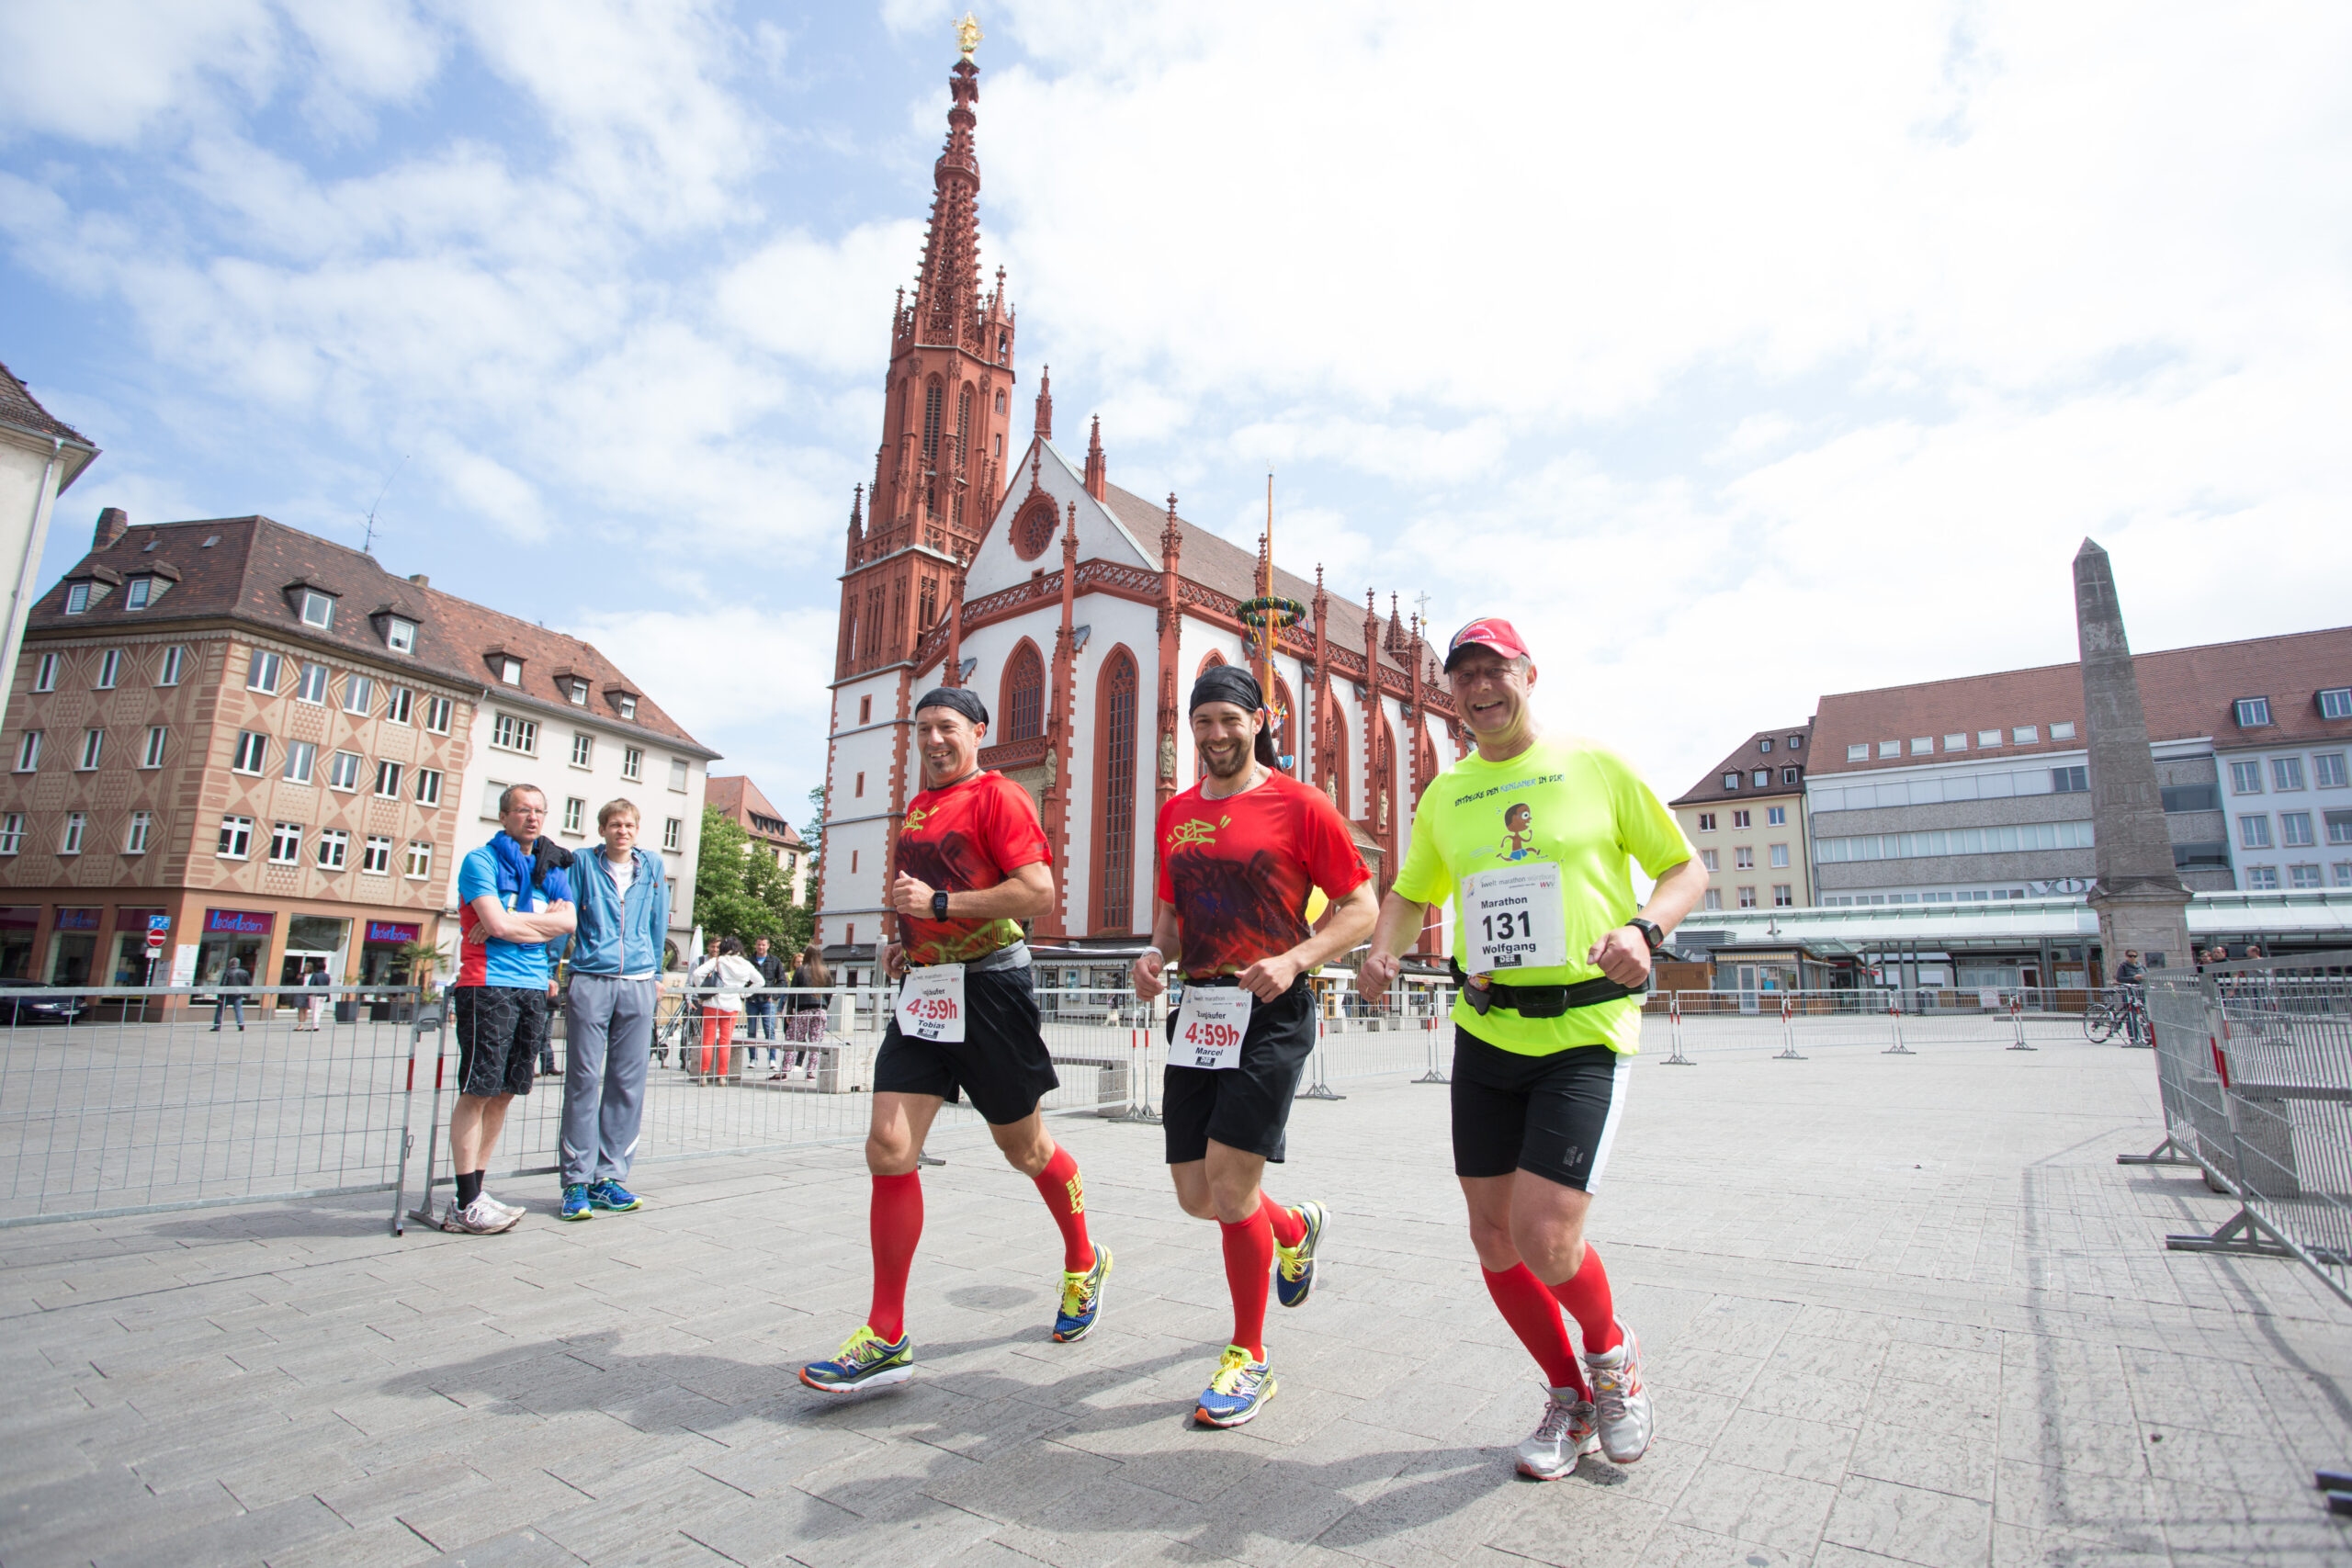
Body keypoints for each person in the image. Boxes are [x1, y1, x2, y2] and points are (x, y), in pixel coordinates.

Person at [1356, 618, 1708, 1481]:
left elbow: (1684, 868)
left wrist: (1645, 928)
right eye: (1463, 674)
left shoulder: (1595, 764)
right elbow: (1410, 889)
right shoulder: (1448, 791)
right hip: (1486, 1029)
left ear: (1528, 673)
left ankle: (1611, 1354)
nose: (1479, 687)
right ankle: (1569, 1394)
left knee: (1547, 1234)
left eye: (1494, 670)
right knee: (1492, 1236)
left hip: (1584, 1030)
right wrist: (1382, 946)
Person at [799, 686, 1107, 1394]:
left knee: (1025, 1149)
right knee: (888, 1145)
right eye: (923, 728)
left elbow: (1035, 892)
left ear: (977, 732)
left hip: (992, 988)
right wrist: (905, 943)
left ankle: (1084, 1259)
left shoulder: (999, 796)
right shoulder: (915, 807)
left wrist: (941, 906)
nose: (933, 739)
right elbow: (920, 896)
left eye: (946, 727)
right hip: (927, 991)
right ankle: (886, 1332)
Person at [1132, 665, 1377, 1427]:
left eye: (1229, 720)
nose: (1215, 734)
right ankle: (1294, 1230)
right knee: (1196, 1192)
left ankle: (1249, 1357)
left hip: (1270, 1010)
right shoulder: (1175, 815)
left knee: (1231, 1186)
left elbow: (1361, 908)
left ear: (1259, 719)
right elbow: (1171, 923)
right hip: (1199, 1011)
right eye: (1202, 721)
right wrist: (1152, 957)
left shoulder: (1302, 804)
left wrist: (1297, 957)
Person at [446, 785, 576, 1235]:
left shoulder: (549, 870)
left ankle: (478, 1193)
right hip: (487, 984)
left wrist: (507, 922)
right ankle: (464, 1203)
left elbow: (568, 924)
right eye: (523, 810)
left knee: (505, 1092)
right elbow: (501, 925)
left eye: (540, 810)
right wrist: (514, 924)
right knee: (478, 1089)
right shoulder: (480, 861)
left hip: (531, 987)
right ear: (504, 815)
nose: (533, 818)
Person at [556, 799, 671, 1222]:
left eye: (629, 825)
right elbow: (565, 916)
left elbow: (659, 920)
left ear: (637, 830)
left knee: (628, 1082)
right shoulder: (583, 863)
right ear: (603, 829)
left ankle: (610, 1177)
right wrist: (557, 967)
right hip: (591, 976)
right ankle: (575, 1182)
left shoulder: (652, 866)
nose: (622, 831)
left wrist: (657, 972)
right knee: (583, 1079)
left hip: (639, 981)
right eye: (615, 825)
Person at [692, 939, 763, 1078]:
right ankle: (722, 1076)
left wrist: (704, 991)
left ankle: (704, 1073)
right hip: (732, 1005)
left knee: (707, 1041)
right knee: (726, 1042)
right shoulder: (745, 964)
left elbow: (696, 974)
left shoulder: (718, 961)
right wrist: (743, 993)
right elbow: (760, 981)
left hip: (713, 1003)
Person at [781, 943, 831, 1079]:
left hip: (803, 1009)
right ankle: (810, 1072)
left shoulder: (801, 970)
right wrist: (825, 1006)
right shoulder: (824, 971)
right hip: (820, 1009)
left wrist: (790, 1012)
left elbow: (793, 993)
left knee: (792, 1039)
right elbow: (829, 992)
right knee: (815, 1042)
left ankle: (785, 1070)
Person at [749, 935, 787, 1067]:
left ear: (768, 946)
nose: (761, 947)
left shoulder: (775, 961)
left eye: (763, 945)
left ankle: (772, 1059)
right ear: (756, 945)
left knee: (769, 1030)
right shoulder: (749, 961)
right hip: (752, 1000)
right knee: (751, 1030)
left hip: (768, 1001)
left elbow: (782, 981)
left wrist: (774, 995)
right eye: (759, 944)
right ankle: (752, 1058)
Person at [209, 955, 251, 1032]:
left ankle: (217, 1026)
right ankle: (241, 1024)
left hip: (227, 995)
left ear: (230, 964)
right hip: (238, 994)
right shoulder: (244, 972)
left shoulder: (228, 972)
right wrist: (247, 995)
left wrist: (219, 997)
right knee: (238, 1010)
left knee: (220, 1010)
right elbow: (248, 984)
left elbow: (223, 984)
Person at [296, 957, 331, 1031]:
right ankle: (316, 1025)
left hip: (315, 995)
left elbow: (311, 984)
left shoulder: (315, 975)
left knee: (315, 1011)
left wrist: (309, 993)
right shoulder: (327, 976)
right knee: (319, 1011)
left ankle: (315, 1026)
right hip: (324, 995)